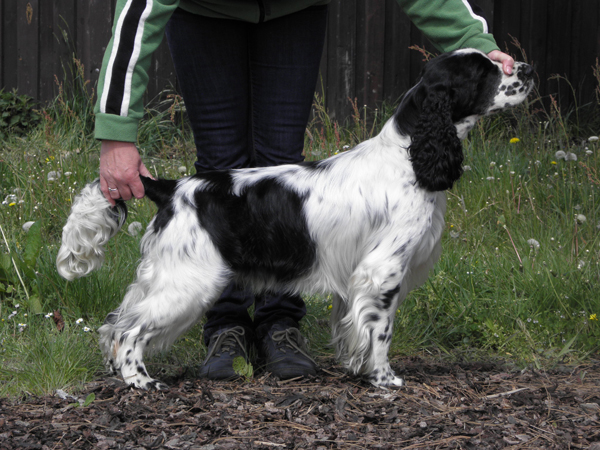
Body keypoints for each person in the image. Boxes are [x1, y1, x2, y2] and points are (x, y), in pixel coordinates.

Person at [95, 0, 514, 381]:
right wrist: (116, 129)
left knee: (282, 160)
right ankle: (225, 327)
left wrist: (474, 41)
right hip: (203, 14)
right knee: (220, 171)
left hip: (294, 12)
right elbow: (139, 10)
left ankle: (281, 325)